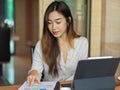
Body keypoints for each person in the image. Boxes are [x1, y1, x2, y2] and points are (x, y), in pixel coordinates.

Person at [27, 1, 88, 87]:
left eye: (58, 22)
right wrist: (33, 73)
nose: (53, 27)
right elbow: (35, 69)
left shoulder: (82, 43)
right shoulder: (41, 45)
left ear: (68, 21)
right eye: (49, 23)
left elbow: (81, 73)